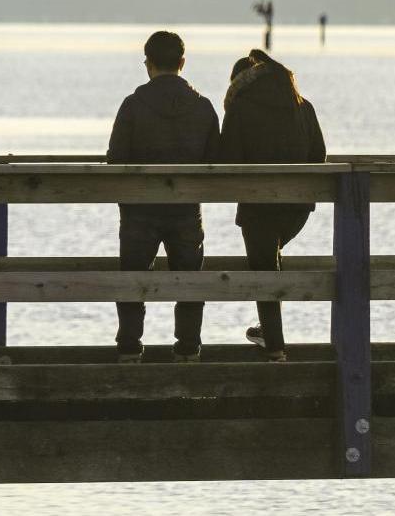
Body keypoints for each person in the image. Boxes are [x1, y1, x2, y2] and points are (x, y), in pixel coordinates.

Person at [106, 31, 222, 363]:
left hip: (138, 210)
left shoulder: (132, 105)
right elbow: (216, 159)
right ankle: (188, 349)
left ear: (149, 64)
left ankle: (129, 348)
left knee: (132, 280)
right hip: (186, 209)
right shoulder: (203, 107)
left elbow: (115, 159)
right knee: (189, 281)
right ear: (182, 63)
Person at [218, 49, 326, 362]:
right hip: (297, 208)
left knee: (264, 268)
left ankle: (275, 348)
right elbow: (318, 155)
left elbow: (229, 161)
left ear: (239, 82)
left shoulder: (240, 108)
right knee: (270, 263)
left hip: (258, 206)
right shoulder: (302, 105)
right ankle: (269, 331)